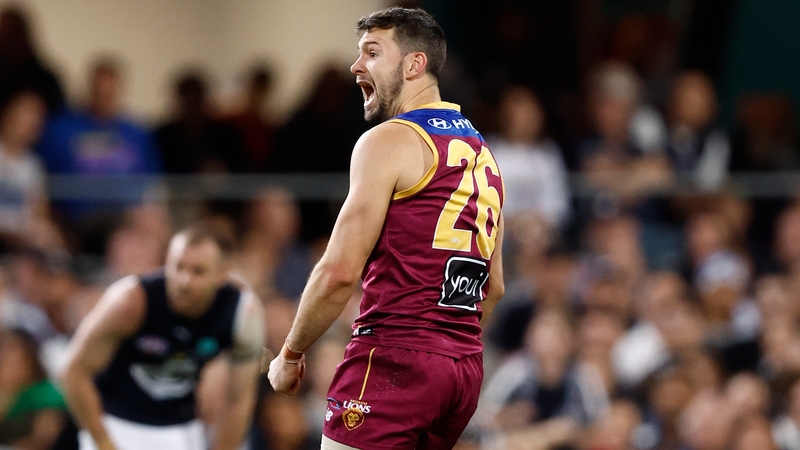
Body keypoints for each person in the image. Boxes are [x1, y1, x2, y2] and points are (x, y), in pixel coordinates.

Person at [268, 7, 505, 450]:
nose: (356, 66)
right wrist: (445, 347)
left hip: (395, 356)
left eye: (372, 53)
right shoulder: (483, 154)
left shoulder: (389, 140)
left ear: (414, 64)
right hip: (463, 369)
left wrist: (290, 354)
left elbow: (339, 273)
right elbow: (493, 289)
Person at [61, 226, 265, 450]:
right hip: (115, 421)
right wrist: (102, 442)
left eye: (198, 271)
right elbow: (73, 370)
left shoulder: (243, 314)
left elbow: (239, 399)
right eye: (178, 267)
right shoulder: (131, 301)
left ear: (221, 274)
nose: (184, 281)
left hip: (181, 428)